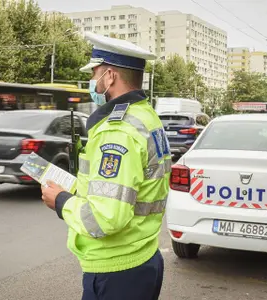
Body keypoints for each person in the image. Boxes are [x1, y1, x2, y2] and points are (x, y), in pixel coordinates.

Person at [41, 32, 172, 300]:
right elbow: (123, 189)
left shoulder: (117, 131)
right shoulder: (145, 116)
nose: (92, 82)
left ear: (109, 76)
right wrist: (75, 187)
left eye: (94, 74)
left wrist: (61, 200)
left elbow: (106, 218)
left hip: (118, 269)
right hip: (142, 256)